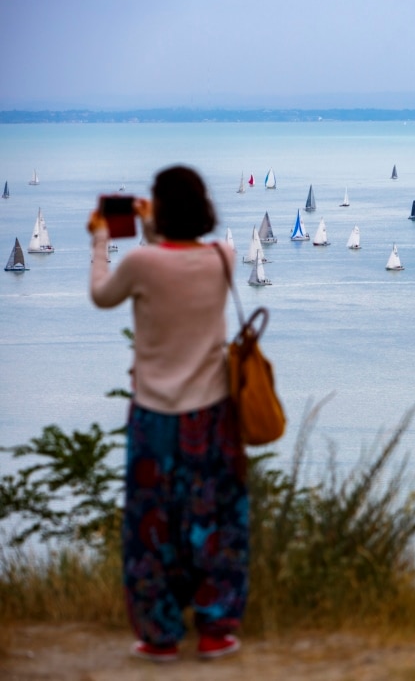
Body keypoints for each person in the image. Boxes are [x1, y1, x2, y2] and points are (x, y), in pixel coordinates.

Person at [88, 165, 248, 663]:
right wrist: (157, 224)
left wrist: (100, 240)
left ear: (159, 208)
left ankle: (159, 633)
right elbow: (175, 254)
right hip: (212, 415)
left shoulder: (139, 262)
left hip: (154, 416)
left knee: (152, 524)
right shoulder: (224, 256)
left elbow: (103, 295)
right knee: (213, 519)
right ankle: (215, 629)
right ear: (202, 206)